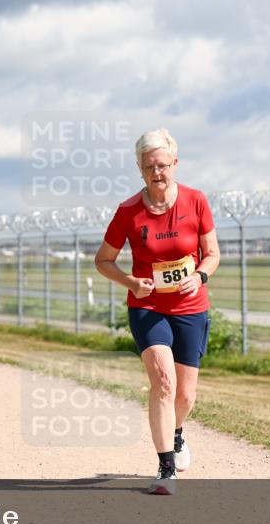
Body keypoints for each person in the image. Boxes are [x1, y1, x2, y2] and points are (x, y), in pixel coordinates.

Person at [94, 129, 220, 495]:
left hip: (190, 306)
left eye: (163, 165)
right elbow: (103, 261)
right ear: (139, 168)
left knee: (185, 396)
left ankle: (176, 434)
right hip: (148, 306)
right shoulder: (128, 211)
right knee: (163, 380)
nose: (157, 172)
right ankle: (166, 469)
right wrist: (131, 282)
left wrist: (199, 276)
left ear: (175, 164)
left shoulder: (196, 201)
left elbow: (212, 254)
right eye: (149, 166)